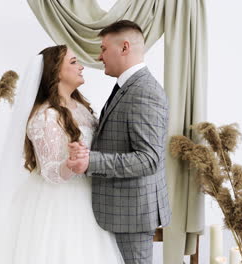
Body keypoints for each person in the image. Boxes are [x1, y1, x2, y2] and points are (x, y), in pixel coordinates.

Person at [0, 45, 124, 264]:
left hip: (88, 196)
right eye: (73, 62)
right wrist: (70, 164)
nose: (81, 67)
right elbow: (51, 172)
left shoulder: (80, 106)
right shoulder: (45, 116)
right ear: (56, 72)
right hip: (58, 202)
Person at [67, 20, 171, 264]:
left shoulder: (143, 91)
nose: (99, 56)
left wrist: (91, 161)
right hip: (120, 211)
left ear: (124, 48)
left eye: (103, 49)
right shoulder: (128, 87)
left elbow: (148, 160)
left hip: (132, 214)